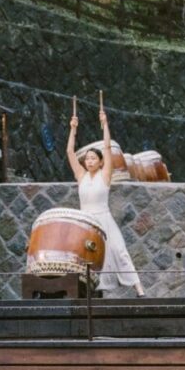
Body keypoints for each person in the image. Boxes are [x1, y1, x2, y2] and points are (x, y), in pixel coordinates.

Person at [68, 99, 144, 293]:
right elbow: (69, 152)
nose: (89, 161)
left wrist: (105, 124)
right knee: (88, 257)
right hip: (86, 221)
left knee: (119, 250)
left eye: (93, 158)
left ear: (101, 162)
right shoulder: (81, 176)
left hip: (104, 219)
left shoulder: (105, 175)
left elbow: (108, 149)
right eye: (87, 158)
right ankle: (93, 291)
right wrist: (73, 129)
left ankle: (139, 289)